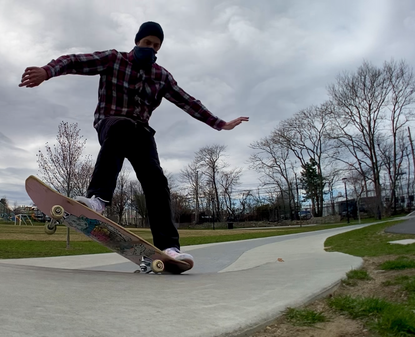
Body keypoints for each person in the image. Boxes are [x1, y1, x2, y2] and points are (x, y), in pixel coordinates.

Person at [19, 21, 249, 267]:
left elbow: (187, 101)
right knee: (123, 127)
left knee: (156, 181)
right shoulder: (113, 59)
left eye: (156, 46)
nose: (150, 48)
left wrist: (219, 123)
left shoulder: (161, 76)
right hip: (112, 124)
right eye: (147, 43)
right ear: (138, 41)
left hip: (142, 134)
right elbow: (76, 61)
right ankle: (97, 199)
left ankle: (169, 247)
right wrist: (48, 71)